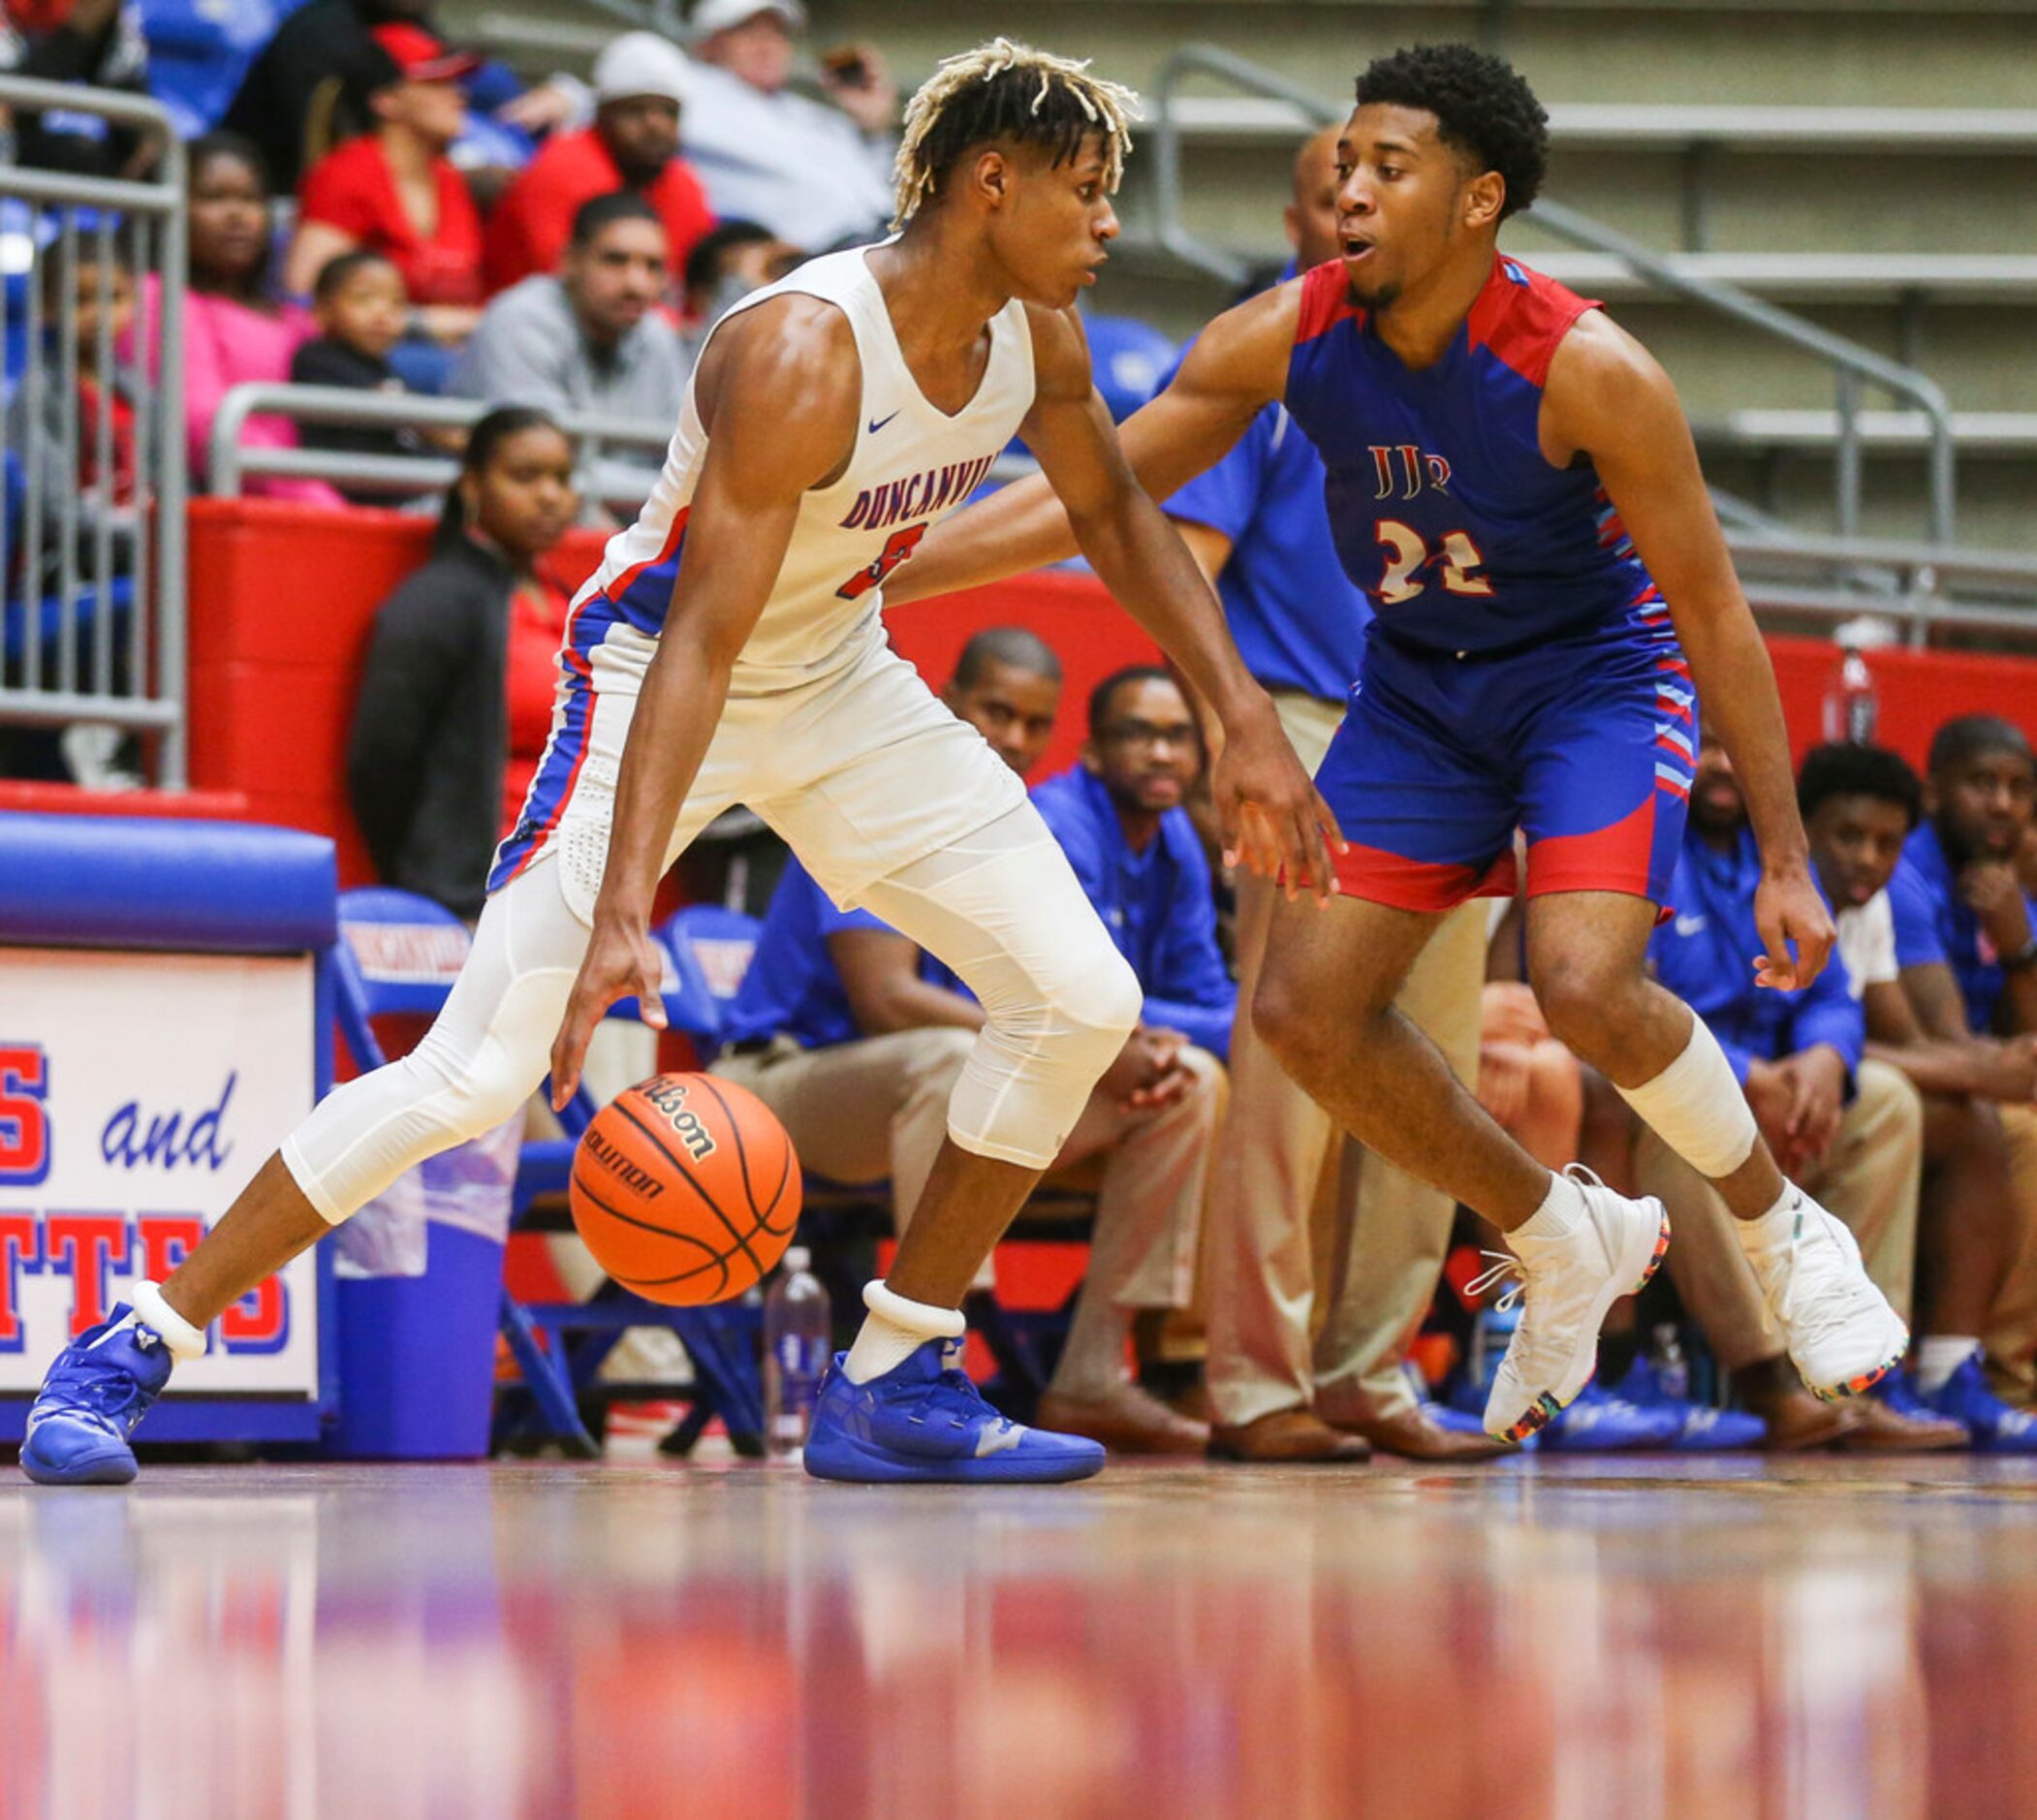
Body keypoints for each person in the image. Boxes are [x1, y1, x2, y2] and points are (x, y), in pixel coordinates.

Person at [20, 39, 1330, 1488]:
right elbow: (701, 639)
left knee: (1080, 993)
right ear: (988, 180)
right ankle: (128, 1347)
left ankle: (898, 1364)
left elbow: (1120, 521)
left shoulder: (1039, 337)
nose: (1106, 225)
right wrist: (628, 907)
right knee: (473, 1071)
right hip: (653, 677)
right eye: (1083, 192)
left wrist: (1243, 717)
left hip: (837, 674)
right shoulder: (799, 347)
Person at [888, 43, 1908, 1444]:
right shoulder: (1283, 333)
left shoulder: (1589, 367)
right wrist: (874, 566)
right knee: (1303, 1015)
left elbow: (1718, 615)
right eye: (1341, 162)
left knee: (1581, 987)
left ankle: (1787, 1232)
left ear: (1477, 201)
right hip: (1420, 692)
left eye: (1386, 166)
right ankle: (1555, 1232)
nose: (1345, 185)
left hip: (1590, 686)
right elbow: (1097, 495)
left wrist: (1785, 855)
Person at [1150, 125, 1498, 1464]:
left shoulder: (1465, 380)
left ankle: (1372, 1369)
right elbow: (1177, 564)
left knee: (1436, 1081)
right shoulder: (1263, 370)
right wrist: (1240, 740)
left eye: (1377, 193)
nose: (1354, 213)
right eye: (1330, 197)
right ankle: (1253, 1381)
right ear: (1297, 221)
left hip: (1446, 740)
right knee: (1290, 1070)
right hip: (1305, 731)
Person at [716, 651, 1229, 1455]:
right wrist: (1097, 1049)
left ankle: (1095, 1370)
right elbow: (885, 1001)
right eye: (995, 711)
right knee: (952, 1060)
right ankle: (934, 1349)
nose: (1013, 739)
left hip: (921, 1088)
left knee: (1189, 1083)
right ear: (944, 702)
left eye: (1033, 724)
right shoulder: (879, 795)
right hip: (781, 1083)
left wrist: (1125, 1048)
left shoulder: (1001, 828)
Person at [1638, 735, 1961, 1452]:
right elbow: (1626, 1000)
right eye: (1706, 743)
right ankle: (1769, 1382)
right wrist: (1752, 1074)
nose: (1723, 763)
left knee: (1884, 1098)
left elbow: (1834, 995)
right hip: (1685, 1090)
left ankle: (1860, 1372)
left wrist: (1820, 1058)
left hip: (1781, 1095)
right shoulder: (1640, 839)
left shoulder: (1782, 861)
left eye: (1736, 744)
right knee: (1680, 1110)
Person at [1799, 738, 2037, 1448]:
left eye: (2018, 787)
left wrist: (1987, 1065)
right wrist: (1976, 1069)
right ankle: (1875, 1371)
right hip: (1765, 1089)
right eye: (1849, 837)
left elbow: (1904, 1036)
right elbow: (1830, 1048)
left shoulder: (1866, 901)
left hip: (1827, 1091)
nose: (1867, 857)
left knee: (1972, 1121)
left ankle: (1948, 1368)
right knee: (1907, 1103)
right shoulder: (1885, 885)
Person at [347, 408, 579, 918]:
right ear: (472, 487)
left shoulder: (569, 602)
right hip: (477, 899)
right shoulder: (437, 601)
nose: (549, 495)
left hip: (573, 895)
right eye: (525, 477)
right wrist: (432, 877)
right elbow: (380, 762)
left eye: (562, 479)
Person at [1884, 717, 2037, 1416]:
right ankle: (2006, 1376)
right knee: (2016, 1130)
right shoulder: (1906, 873)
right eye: (1983, 784)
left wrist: (2019, 944)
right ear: (1936, 791)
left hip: (1964, 1074)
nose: (2003, 804)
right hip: (1909, 1073)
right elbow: (1938, 1036)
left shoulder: (2008, 885)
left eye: (2018, 788)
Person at [125, 131, 340, 505]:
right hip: (236, 510)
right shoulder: (159, 296)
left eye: (250, 199)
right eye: (214, 198)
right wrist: (320, 499)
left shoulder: (295, 317)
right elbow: (200, 424)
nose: (238, 215)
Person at [284, 24, 485, 344]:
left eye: (455, 82)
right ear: (385, 100)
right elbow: (306, 301)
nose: (458, 94)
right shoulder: (344, 175)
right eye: (436, 82)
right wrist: (423, 323)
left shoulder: (449, 178)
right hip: (372, 362)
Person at [482, 32, 715, 298]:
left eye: (669, 113)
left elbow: (692, 295)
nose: (656, 126)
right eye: (636, 111)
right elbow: (581, 293)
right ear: (602, 115)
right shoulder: (562, 167)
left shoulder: (683, 182)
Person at [453, 193, 689, 449]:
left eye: (652, 266)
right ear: (569, 261)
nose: (637, 284)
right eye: (615, 260)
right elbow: (539, 464)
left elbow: (680, 455)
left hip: (629, 488)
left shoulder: (656, 333)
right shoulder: (519, 321)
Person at [677, 0, 894, 251]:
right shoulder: (690, 94)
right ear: (706, 44)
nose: (766, 45)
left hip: (887, 238)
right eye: (748, 31)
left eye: (777, 32)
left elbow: (879, 194)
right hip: (810, 260)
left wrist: (872, 128)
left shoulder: (814, 115)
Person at [0, 0, 152, 177]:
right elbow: (11, 112)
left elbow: (140, 141)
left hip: (91, 165)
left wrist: (90, 23)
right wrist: (77, 32)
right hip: (17, 154)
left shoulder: (108, 22)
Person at [681, 216, 804, 334]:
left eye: (770, 271)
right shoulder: (675, 344)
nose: (761, 284)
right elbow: (715, 348)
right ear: (699, 297)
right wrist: (744, 284)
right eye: (731, 280)